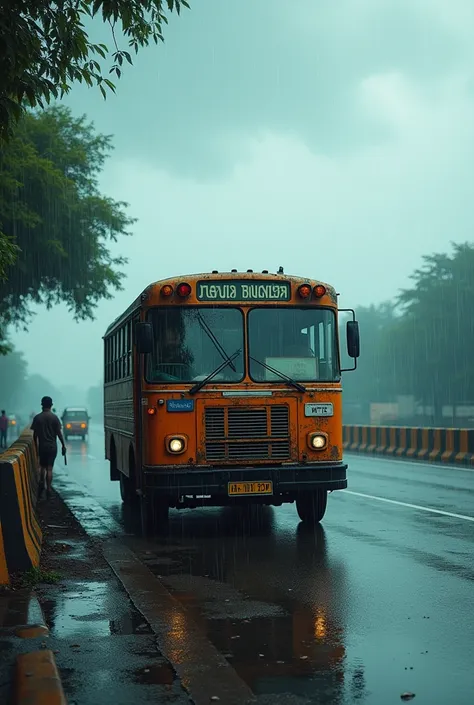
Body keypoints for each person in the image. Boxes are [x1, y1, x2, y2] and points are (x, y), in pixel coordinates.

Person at [31, 396, 66, 499]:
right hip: (52, 447)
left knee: (42, 466)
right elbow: (59, 434)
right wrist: (63, 445)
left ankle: (41, 483)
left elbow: (35, 435)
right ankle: (49, 488)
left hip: (42, 447)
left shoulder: (37, 418)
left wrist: (35, 446)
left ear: (42, 405)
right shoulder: (54, 418)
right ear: (51, 405)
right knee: (49, 468)